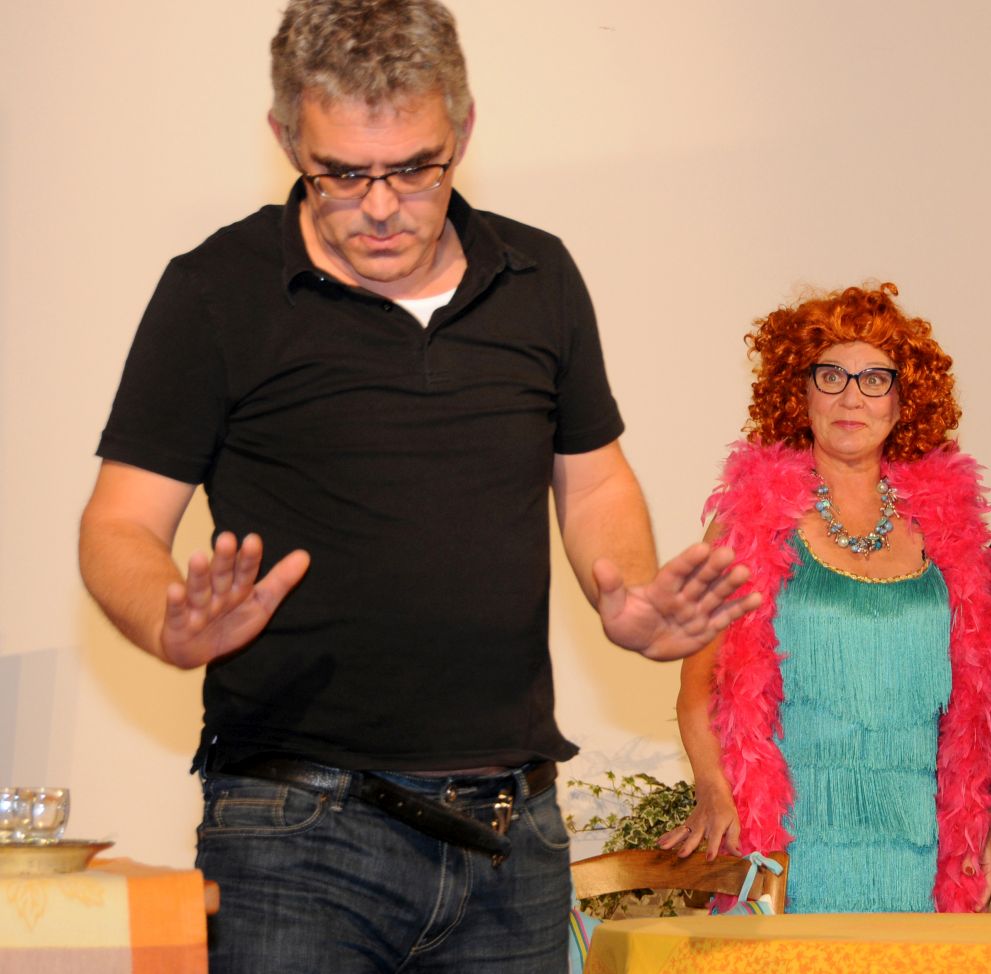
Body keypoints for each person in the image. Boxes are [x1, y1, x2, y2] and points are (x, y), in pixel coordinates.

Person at [76, 1, 756, 969]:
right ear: (286, 139)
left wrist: (630, 591)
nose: (382, 206)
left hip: (512, 833)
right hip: (295, 832)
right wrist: (166, 621)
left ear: (463, 132)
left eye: (414, 169)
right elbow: (118, 523)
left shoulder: (539, 276)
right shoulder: (216, 290)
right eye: (343, 175)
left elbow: (594, 477)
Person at [656, 283, 991, 913]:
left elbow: (971, 712)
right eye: (831, 376)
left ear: (903, 399)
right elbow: (697, 693)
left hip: (918, 848)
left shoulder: (948, 531)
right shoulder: (746, 525)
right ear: (800, 392)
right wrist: (712, 788)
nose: (852, 397)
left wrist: (979, 823)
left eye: (875, 378)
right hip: (791, 849)